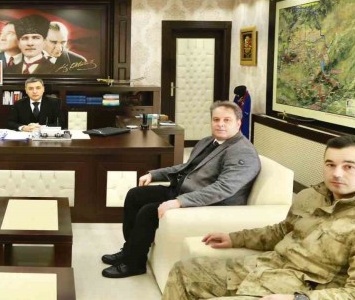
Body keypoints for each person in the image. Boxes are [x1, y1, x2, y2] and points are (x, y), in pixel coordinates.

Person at [159, 135, 355, 300]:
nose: (337, 173)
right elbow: (282, 231)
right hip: (268, 269)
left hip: (302, 294)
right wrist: (236, 238)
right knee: (184, 271)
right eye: (331, 164)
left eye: (349, 167)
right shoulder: (312, 196)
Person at [101, 100, 260, 278]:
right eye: (216, 119)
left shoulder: (242, 151)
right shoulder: (208, 142)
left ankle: (134, 264)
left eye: (227, 120)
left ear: (238, 123)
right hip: (184, 190)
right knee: (135, 195)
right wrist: (155, 174)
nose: (220, 124)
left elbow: (223, 188)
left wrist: (179, 202)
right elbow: (186, 167)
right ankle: (129, 250)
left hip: (211, 204)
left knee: (148, 212)